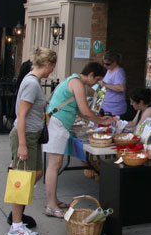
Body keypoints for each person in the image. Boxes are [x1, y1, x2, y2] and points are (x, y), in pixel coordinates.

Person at [43, 62, 113, 218]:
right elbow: (85, 112)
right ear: (91, 75)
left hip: (57, 124)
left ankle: (54, 201)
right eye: (97, 80)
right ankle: (51, 206)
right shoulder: (77, 83)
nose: (96, 83)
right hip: (58, 125)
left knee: (55, 164)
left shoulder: (74, 80)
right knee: (54, 165)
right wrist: (102, 122)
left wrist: (98, 119)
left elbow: (80, 112)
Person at [7, 47, 57, 235]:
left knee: (35, 174)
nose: (51, 71)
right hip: (26, 136)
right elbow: (21, 115)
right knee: (22, 180)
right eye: (52, 66)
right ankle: (16, 224)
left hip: (31, 135)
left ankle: (17, 211)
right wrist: (22, 145)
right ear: (47, 64)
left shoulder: (33, 81)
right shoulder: (31, 83)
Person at [99, 50, 127, 118]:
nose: (105, 66)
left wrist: (105, 85)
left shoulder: (118, 72)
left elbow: (122, 88)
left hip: (115, 109)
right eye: (104, 63)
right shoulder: (109, 70)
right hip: (106, 106)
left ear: (115, 62)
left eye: (108, 64)